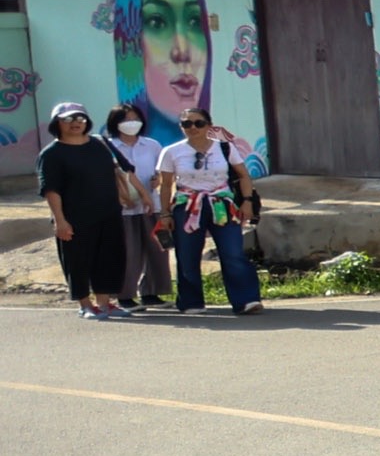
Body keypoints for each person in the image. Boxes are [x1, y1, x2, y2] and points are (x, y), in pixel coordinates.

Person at [154, 106, 263, 315]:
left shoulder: (225, 148)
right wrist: (165, 213)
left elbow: (243, 175)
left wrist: (247, 201)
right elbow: (166, 185)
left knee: (232, 252)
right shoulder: (171, 152)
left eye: (199, 123)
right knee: (187, 255)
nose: (193, 128)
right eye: (187, 124)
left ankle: (246, 299)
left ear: (209, 126)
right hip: (188, 206)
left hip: (221, 204)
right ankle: (191, 302)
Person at [35, 104, 134, 322]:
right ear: (57, 123)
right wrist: (60, 220)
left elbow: (117, 173)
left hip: (108, 212)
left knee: (109, 258)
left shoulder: (99, 145)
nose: (76, 123)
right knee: (78, 261)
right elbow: (51, 189)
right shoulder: (51, 154)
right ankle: (85, 304)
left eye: (80, 118)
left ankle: (105, 302)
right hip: (75, 217)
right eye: (68, 119)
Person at [108, 108, 171, 311]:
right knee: (129, 252)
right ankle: (124, 296)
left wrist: (157, 179)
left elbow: (162, 171)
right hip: (123, 208)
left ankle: (151, 293)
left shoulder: (152, 145)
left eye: (136, 119)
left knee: (157, 250)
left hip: (152, 205)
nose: (132, 123)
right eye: (126, 119)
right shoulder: (109, 146)